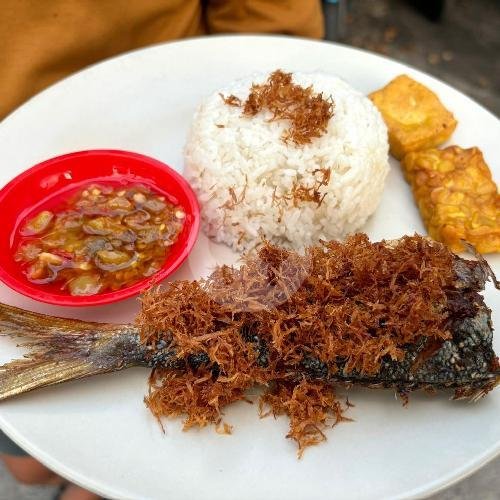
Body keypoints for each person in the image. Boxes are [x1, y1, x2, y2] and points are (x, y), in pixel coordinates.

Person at [0, 1, 324, 498]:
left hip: (179, 72)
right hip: (14, 129)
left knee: (122, 470)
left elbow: (275, 26)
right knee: (30, 468)